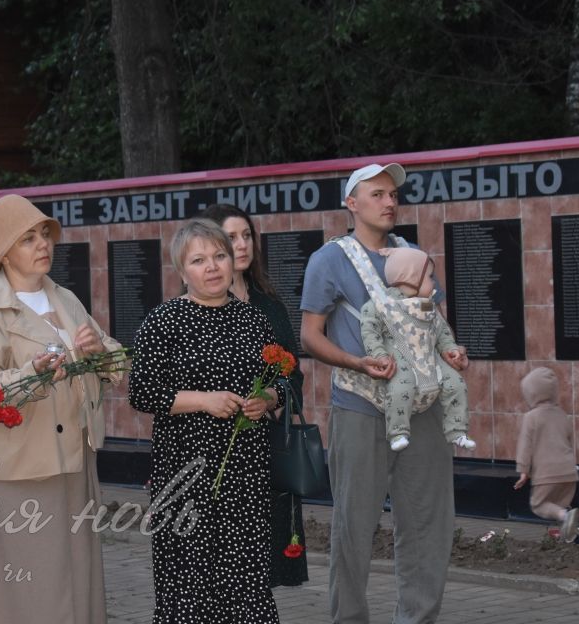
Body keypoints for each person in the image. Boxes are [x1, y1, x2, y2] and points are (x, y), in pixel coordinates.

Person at [300, 162, 466, 624]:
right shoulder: (329, 260)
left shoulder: (412, 253)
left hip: (424, 409)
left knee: (430, 524)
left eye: (393, 194)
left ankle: (417, 618)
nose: (390, 202)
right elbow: (309, 336)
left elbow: (431, 323)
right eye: (377, 194)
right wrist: (356, 361)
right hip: (360, 407)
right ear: (351, 204)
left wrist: (450, 354)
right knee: (353, 527)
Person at [0, 194, 125, 624]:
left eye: (44, 234)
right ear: (5, 252)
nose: (43, 244)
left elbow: (115, 363)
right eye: (28, 238)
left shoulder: (65, 300)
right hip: (19, 474)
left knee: (73, 583)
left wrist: (98, 349)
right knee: (28, 593)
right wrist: (33, 371)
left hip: (72, 464)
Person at [129, 218, 282, 623]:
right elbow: (141, 393)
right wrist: (203, 401)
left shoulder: (253, 321)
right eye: (199, 260)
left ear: (233, 263)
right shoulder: (163, 322)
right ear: (182, 272)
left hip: (245, 475)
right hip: (186, 472)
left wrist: (265, 400)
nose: (212, 267)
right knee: (189, 580)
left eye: (219, 256)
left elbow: (280, 382)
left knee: (245, 581)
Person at [200, 203, 309, 587]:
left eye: (247, 235)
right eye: (231, 237)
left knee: (262, 569)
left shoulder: (269, 303)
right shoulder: (193, 308)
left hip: (264, 447)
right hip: (211, 448)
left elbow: (293, 374)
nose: (241, 244)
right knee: (219, 566)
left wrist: (271, 399)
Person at [359, 246, 475, 452]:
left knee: (456, 383)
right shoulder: (382, 304)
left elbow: (440, 330)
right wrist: (379, 354)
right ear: (411, 278)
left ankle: (457, 430)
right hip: (400, 355)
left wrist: (450, 349)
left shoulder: (426, 306)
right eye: (429, 276)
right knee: (401, 386)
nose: (434, 284)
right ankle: (397, 432)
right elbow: (369, 328)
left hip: (429, 358)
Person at [513, 366, 579, 542]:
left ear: (532, 394)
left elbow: (525, 446)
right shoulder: (562, 415)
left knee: (539, 505)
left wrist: (523, 471)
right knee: (559, 503)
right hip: (569, 471)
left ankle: (566, 517)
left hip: (547, 473)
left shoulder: (531, 417)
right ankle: (565, 535)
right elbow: (570, 441)